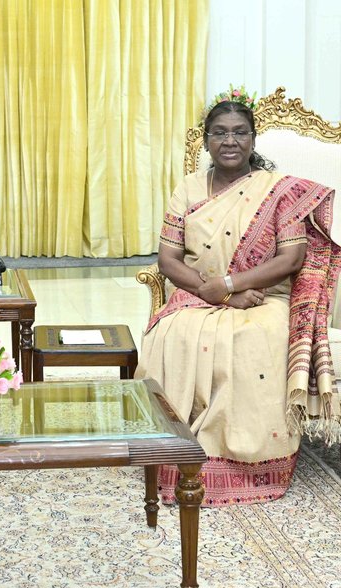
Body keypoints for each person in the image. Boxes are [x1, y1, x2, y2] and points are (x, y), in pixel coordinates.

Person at [135, 94, 341, 506]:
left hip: (263, 297)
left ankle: (246, 463)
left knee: (255, 339)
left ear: (252, 139)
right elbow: (168, 258)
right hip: (200, 292)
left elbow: (292, 257)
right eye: (220, 133)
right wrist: (216, 292)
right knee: (173, 334)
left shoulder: (278, 191)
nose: (230, 141)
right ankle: (177, 453)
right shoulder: (188, 188)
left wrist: (230, 282)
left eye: (240, 133)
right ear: (207, 141)